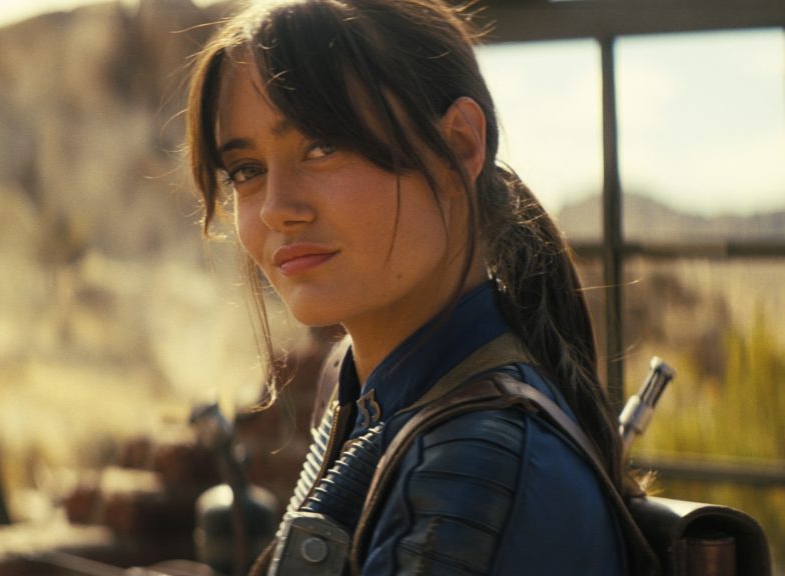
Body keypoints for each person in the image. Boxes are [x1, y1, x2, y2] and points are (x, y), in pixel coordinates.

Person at [184, 0, 638, 573]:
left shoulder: (477, 473)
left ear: (459, 146)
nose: (276, 209)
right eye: (246, 170)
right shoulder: (362, 388)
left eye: (322, 146)